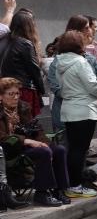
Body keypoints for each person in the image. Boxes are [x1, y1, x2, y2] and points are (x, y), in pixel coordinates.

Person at [54, 30, 97, 198]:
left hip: (69, 108)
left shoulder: (59, 62)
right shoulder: (80, 62)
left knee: (74, 149)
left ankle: (71, 184)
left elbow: (61, 88)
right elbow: (92, 85)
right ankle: (76, 185)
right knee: (80, 150)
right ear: (79, 45)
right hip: (84, 109)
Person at [0, 77, 68, 207]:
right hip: (9, 147)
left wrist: (45, 143)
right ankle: (42, 193)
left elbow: (36, 129)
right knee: (43, 152)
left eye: (17, 93)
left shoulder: (22, 107)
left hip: (26, 144)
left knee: (59, 150)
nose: (15, 97)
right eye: (11, 94)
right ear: (1, 96)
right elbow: (2, 137)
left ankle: (59, 190)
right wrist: (27, 141)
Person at [48, 15, 97, 131]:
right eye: (87, 27)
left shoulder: (90, 59)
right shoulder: (62, 59)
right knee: (70, 145)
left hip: (85, 111)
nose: (91, 30)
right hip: (69, 112)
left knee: (80, 146)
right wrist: (76, 95)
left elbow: (96, 81)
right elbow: (55, 85)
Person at [0, 11, 47, 118]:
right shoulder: (25, 43)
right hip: (23, 89)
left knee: (8, 121)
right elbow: (34, 70)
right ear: (29, 25)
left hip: (4, 88)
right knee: (25, 121)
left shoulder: (2, 39)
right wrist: (41, 90)